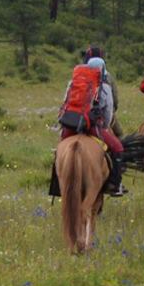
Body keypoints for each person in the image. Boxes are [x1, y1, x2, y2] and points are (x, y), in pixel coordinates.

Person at [49, 55, 125, 199]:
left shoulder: (73, 83)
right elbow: (108, 111)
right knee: (117, 148)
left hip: (71, 124)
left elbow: (65, 102)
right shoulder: (105, 87)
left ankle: (57, 184)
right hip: (92, 126)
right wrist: (104, 126)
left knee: (59, 150)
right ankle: (115, 184)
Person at [86, 44, 129, 197]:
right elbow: (113, 104)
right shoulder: (106, 80)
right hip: (97, 124)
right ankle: (116, 181)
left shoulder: (76, 79)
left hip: (75, 122)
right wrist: (105, 125)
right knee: (119, 141)